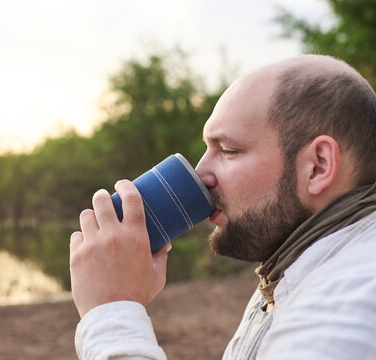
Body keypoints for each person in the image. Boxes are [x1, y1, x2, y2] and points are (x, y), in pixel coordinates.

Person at [69, 54, 376, 359]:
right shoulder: (291, 271)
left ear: (318, 167)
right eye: (208, 148)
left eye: (228, 150)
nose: (201, 173)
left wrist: (112, 311)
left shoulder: (350, 303)